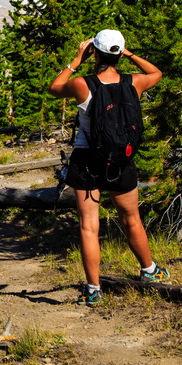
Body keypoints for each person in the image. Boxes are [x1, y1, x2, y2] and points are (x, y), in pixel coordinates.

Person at [49, 29, 167, 307]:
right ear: (118, 53)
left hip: (87, 161)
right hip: (121, 161)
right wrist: (130, 54)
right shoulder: (134, 83)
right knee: (131, 219)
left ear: (95, 53)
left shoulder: (82, 84)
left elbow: (54, 88)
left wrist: (76, 60)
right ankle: (149, 271)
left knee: (89, 227)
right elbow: (157, 73)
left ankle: (93, 290)